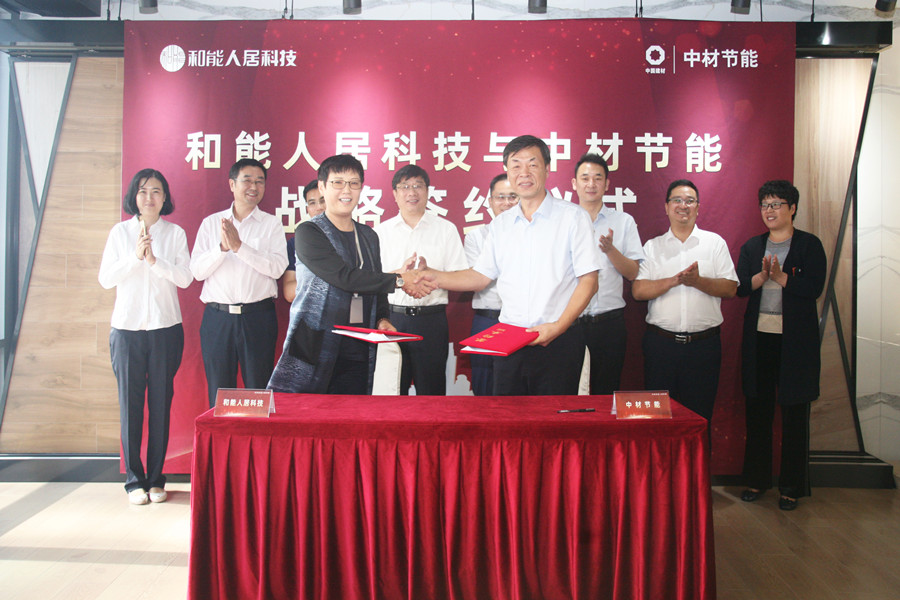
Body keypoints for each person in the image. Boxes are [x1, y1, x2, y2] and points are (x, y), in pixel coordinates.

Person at [420, 135, 602, 395]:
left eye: (532, 164)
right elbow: (480, 277)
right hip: (509, 340)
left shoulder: (573, 218)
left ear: (547, 168)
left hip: (559, 340)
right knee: (507, 416)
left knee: (552, 418)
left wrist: (558, 327)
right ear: (507, 170)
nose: (524, 173)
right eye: (516, 165)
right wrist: (432, 276)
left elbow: (589, 281)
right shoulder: (501, 225)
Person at [268, 155, 430, 394]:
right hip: (315, 340)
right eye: (338, 182)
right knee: (304, 408)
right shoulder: (309, 232)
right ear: (322, 186)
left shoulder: (368, 235)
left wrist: (382, 319)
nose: (347, 190)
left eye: (354, 183)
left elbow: (374, 282)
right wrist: (399, 280)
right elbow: (343, 276)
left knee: (351, 409)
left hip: (357, 341)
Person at [98, 169, 192, 505]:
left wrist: (154, 260)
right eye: (142, 191)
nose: (149, 197)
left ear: (165, 197)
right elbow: (106, 278)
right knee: (131, 405)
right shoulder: (120, 233)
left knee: (161, 404)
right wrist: (135, 257)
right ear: (133, 197)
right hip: (127, 330)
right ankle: (134, 480)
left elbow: (185, 278)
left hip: (165, 329)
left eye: (156, 191)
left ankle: (155, 479)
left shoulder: (175, 233)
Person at [737, 180, 826, 511]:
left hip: (795, 343)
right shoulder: (752, 246)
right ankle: (757, 480)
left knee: (794, 414)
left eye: (776, 204)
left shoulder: (809, 245)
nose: (769, 211)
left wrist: (782, 277)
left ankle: (791, 486)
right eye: (765, 205)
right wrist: (762, 278)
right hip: (760, 338)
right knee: (758, 411)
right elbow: (741, 287)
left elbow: (814, 287)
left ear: (793, 208)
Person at [632, 179, 737, 422]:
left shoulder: (715, 244)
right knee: (658, 420)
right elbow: (638, 291)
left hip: (703, 347)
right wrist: (674, 280)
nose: (683, 205)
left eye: (690, 201)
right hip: (661, 346)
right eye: (677, 200)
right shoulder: (652, 247)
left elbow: (730, 288)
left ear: (698, 207)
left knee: (699, 419)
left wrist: (697, 281)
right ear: (666, 207)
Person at [190, 158, 288, 407]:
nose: (254, 186)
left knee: (259, 392)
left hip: (258, 318)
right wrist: (222, 248)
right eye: (247, 180)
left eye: (260, 181)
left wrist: (239, 247)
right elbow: (197, 272)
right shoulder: (211, 224)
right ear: (232, 184)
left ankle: (259, 435)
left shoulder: (272, 224)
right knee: (218, 393)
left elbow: (277, 268)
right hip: (218, 318)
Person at [375, 164, 468, 395]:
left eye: (418, 186)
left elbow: (461, 277)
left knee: (432, 393)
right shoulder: (380, 232)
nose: (412, 192)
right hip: (393, 320)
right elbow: (373, 280)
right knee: (391, 391)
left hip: (431, 321)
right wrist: (401, 276)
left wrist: (431, 276)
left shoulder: (446, 229)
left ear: (427, 191)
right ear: (395, 193)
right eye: (405, 187)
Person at [572, 153, 644, 394]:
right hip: (570, 321)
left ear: (607, 184)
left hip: (609, 323)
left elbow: (633, 273)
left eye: (597, 178)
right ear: (574, 183)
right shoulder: (563, 221)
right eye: (585, 178)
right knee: (569, 391)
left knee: (606, 391)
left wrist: (611, 251)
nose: (591, 184)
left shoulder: (623, 221)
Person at [464, 173, 518, 395]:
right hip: (487, 320)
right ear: (490, 201)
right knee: (484, 389)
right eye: (500, 197)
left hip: (520, 322)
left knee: (517, 391)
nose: (506, 203)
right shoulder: (476, 237)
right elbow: (478, 279)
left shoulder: (535, 237)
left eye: (512, 196)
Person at [283, 179, 325, 303]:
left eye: (323, 201)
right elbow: (289, 293)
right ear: (307, 209)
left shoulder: (349, 237)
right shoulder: (296, 243)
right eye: (312, 203)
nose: (319, 207)